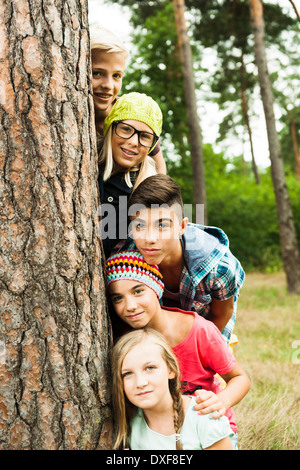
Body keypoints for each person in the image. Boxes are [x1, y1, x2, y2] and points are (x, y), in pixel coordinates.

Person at [106, 250, 251, 449]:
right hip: (156, 431)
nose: (130, 306)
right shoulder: (123, 339)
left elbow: (240, 378)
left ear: (156, 288)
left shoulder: (198, 330)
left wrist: (220, 402)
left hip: (205, 428)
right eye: (117, 298)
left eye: (138, 291)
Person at [119, 173, 245, 345]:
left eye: (162, 225)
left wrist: (192, 350)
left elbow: (221, 315)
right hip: (154, 334)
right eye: (139, 225)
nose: (149, 238)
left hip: (207, 331)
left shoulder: (220, 266)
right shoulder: (127, 259)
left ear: (182, 226)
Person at [111, 328, 234, 450]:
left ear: (171, 370)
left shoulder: (203, 415)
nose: (140, 383)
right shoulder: (129, 422)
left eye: (150, 368)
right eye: (127, 374)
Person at [90, 26, 166, 174]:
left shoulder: (131, 116)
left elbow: (160, 171)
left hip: (123, 194)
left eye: (116, 76)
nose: (108, 85)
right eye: (97, 73)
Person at [97, 91, 163, 257]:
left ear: (152, 145)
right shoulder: (84, 159)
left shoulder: (144, 192)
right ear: (110, 128)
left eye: (145, 136)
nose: (133, 142)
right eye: (126, 129)